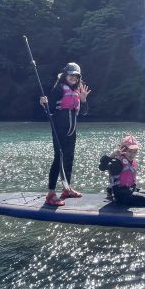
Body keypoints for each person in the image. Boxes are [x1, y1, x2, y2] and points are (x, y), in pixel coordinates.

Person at [39, 62, 91, 206]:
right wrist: (44, 104)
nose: (74, 77)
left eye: (76, 76)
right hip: (59, 129)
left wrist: (84, 100)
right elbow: (49, 110)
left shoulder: (77, 91)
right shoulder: (59, 89)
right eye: (71, 75)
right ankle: (50, 193)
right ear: (65, 75)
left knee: (69, 158)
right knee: (59, 158)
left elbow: (85, 112)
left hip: (71, 131)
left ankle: (66, 189)